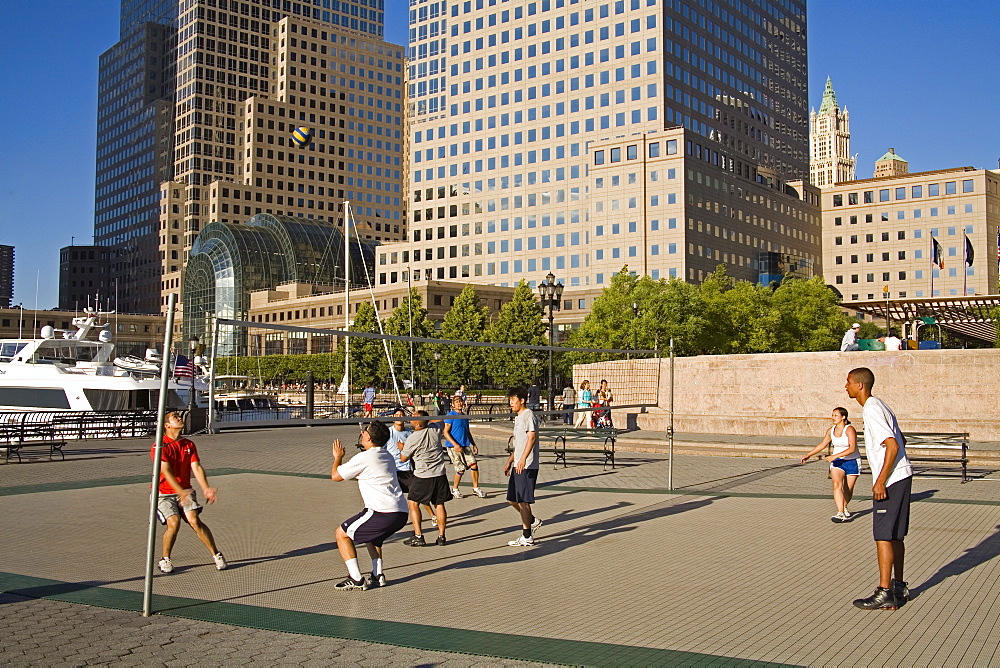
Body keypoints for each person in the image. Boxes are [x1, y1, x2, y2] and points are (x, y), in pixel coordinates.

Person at [845, 367, 913, 610]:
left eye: (849, 382)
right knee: (895, 534)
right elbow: (901, 440)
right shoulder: (881, 405)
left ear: (860, 385)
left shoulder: (872, 409)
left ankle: (884, 590)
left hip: (893, 479)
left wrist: (880, 480)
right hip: (902, 476)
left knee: (883, 535)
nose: (846, 387)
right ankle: (897, 588)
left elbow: (893, 445)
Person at [329, 421, 409, 590]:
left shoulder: (365, 457)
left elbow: (336, 476)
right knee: (372, 538)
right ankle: (377, 574)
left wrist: (338, 457)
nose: (362, 432)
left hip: (382, 512)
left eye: (365, 431)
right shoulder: (386, 455)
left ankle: (356, 578)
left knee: (341, 534)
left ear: (368, 437)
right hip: (400, 512)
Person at [151, 411, 227, 574]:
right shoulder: (160, 445)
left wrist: (206, 489)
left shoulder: (188, 445)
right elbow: (166, 470)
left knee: (194, 520)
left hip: (184, 490)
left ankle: (217, 554)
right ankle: (165, 559)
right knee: (174, 522)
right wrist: (180, 492)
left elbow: (196, 467)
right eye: (175, 417)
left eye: (179, 416)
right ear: (167, 425)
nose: (179, 418)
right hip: (163, 493)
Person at [399, 410, 452, 546]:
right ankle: (441, 536)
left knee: (413, 503)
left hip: (423, 475)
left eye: (413, 417)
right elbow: (439, 420)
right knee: (439, 504)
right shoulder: (435, 430)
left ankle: (418, 536)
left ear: (417, 423)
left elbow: (403, 458)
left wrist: (402, 448)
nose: (410, 418)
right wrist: (428, 418)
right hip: (439, 474)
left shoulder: (412, 438)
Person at [799, 407, 861, 522]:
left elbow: (852, 448)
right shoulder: (830, 430)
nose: (833, 418)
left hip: (852, 461)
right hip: (837, 462)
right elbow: (822, 444)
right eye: (832, 415)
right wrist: (809, 455)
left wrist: (834, 456)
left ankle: (844, 507)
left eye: (835, 415)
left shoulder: (849, 429)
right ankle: (840, 512)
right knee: (836, 484)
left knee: (848, 489)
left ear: (843, 417)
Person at [504, 386, 542, 547]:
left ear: (522, 400)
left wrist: (522, 460)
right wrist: (511, 460)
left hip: (527, 466)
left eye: (513, 401)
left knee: (523, 502)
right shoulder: (518, 417)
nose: (510, 404)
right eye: (510, 401)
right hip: (518, 463)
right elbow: (519, 443)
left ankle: (527, 536)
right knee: (512, 499)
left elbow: (531, 439)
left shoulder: (529, 415)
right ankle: (532, 521)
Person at [443, 396, 487, 498]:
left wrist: (474, 444)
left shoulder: (464, 416)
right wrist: (455, 444)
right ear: (453, 404)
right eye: (457, 402)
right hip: (454, 447)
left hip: (465, 445)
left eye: (460, 401)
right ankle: (455, 489)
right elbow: (445, 432)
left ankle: (475, 488)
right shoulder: (451, 416)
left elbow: (467, 432)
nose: (459, 404)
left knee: (474, 465)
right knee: (460, 469)